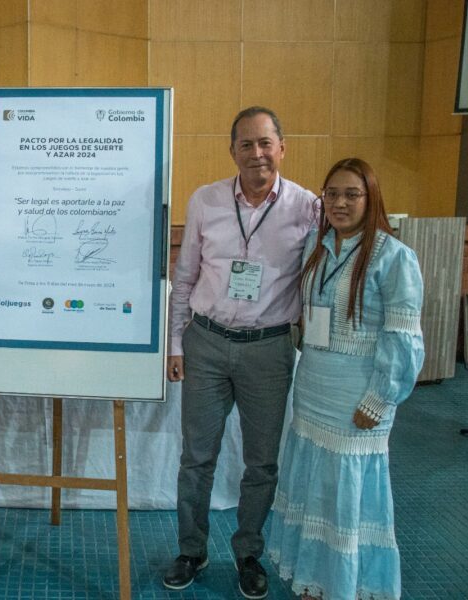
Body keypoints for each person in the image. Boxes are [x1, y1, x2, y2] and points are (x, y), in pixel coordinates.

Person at [165, 106, 318, 599]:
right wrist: (175, 343)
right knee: (196, 459)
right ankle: (192, 548)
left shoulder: (307, 208)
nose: (257, 153)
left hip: (269, 349)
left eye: (265, 143)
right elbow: (184, 279)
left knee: (261, 463)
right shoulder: (206, 201)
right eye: (246, 145)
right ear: (232, 151)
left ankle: (249, 551)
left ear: (282, 147)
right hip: (206, 344)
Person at [267, 158, 424, 600]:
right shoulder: (317, 249)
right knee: (314, 484)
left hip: (357, 396)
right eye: (331, 194)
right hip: (314, 387)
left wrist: (381, 397)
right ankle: (314, 579)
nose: (339, 203)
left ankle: (347, 583)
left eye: (351, 194)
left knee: (347, 493)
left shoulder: (393, 257)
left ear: (370, 197)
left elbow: (404, 337)